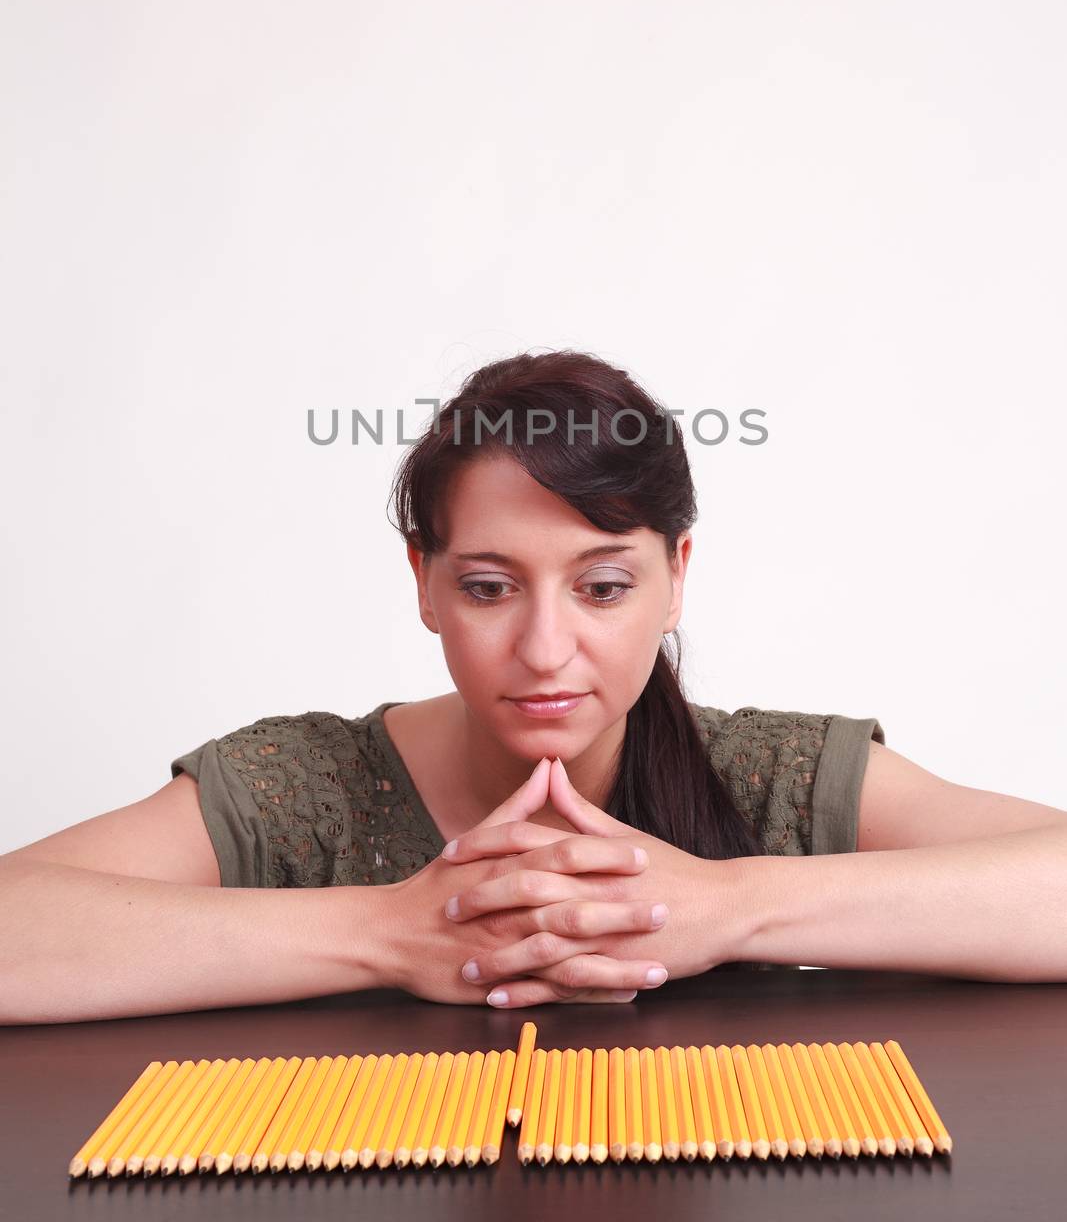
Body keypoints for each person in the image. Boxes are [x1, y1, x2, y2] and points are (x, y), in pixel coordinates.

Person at [3, 350, 1066, 1026]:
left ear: (674, 580)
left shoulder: (773, 776)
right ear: (422, 583)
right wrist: (392, 930)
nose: (546, 648)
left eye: (602, 586)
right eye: (487, 587)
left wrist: (721, 907)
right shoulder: (305, 783)